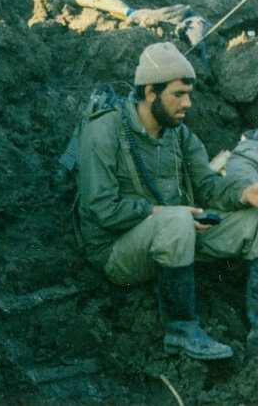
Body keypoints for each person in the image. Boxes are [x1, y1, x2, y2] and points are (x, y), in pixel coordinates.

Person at [76, 41, 258, 361]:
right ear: (150, 93)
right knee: (175, 221)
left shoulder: (179, 134)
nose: (187, 103)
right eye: (178, 94)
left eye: (189, 93)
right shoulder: (104, 130)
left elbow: (207, 185)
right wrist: (163, 213)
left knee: (253, 219)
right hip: (118, 252)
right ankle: (182, 331)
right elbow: (100, 208)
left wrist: (244, 192)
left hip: (179, 235)